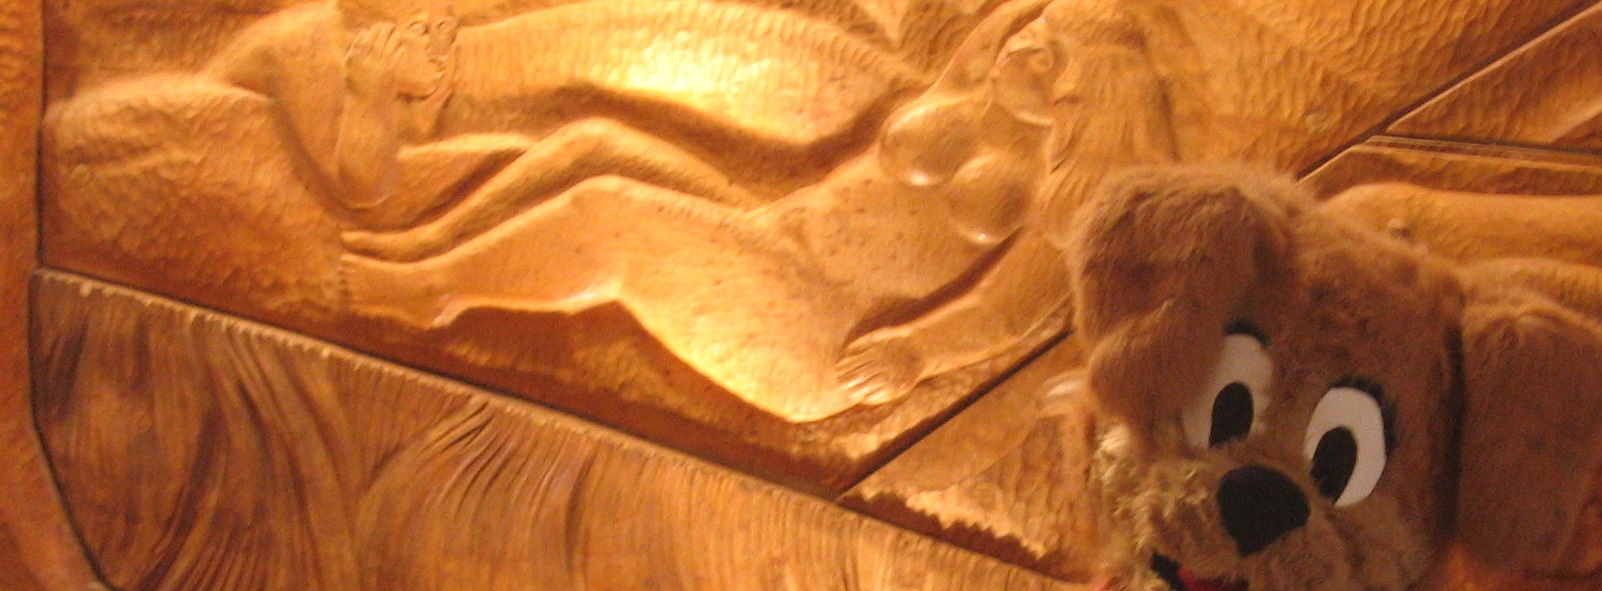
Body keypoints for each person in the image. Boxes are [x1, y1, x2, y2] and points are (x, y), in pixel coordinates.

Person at [340, 0, 1178, 420]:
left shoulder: (1072, 187)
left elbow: (1008, 308)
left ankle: (429, 291)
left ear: (1086, 94)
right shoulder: (977, 80)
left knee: (608, 216)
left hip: (817, 333)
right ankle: (421, 247)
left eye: (1049, 54)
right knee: (595, 145)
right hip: (770, 242)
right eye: (1034, 25)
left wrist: (916, 351)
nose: (1024, 44)